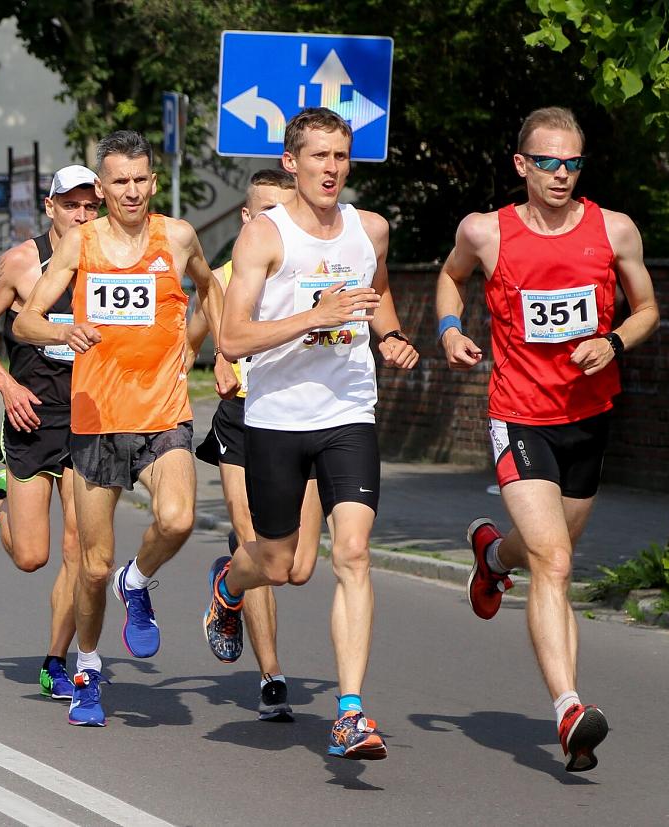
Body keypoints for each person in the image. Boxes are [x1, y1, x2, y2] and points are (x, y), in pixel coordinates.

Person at [435, 106, 659, 773]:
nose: (561, 175)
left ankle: (491, 555)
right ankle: (567, 707)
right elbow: (447, 277)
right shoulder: (484, 232)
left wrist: (612, 339)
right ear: (521, 165)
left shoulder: (612, 229)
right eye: (548, 162)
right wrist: (448, 329)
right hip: (519, 414)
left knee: (541, 558)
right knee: (556, 565)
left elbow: (647, 308)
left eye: (572, 163)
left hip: (588, 417)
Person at [202, 108, 418, 761]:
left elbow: (375, 290)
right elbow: (231, 337)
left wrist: (391, 335)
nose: (331, 168)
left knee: (350, 553)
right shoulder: (262, 238)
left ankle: (350, 712)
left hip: (348, 411)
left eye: (340, 157)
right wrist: (312, 315)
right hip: (276, 417)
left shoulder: (368, 229)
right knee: (281, 564)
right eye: (318, 156)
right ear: (291, 162)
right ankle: (227, 587)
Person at [13, 132, 233, 726]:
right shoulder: (81, 244)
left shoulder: (178, 236)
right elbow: (27, 321)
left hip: (164, 412)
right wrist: (63, 332)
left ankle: (136, 581)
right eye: (119, 182)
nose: (130, 191)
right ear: (102, 187)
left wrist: (210, 349)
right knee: (89, 565)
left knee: (180, 518)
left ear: (152, 182)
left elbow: (210, 289)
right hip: (96, 419)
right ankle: (86, 669)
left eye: (140, 179)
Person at [0, 164, 102, 701]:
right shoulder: (22, 262)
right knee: (31, 557)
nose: (82, 216)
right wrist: (5, 386)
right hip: (31, 416)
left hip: (89, 416)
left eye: (91, 207)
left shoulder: (110, 261)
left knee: (78, 549)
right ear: (51, 207)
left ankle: (55, 661)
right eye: (72, 206)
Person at [189, 168, 324, 722]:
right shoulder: (222, 279)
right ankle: (272, 677)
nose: (277, 222)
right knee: (257, 542)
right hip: (244, 422)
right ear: (248, 219)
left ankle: (228, 578)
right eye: (266, 211)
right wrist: (215, 358)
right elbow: (187, 344)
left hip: (308, 418)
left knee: (297, 567)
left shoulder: (314, 266)